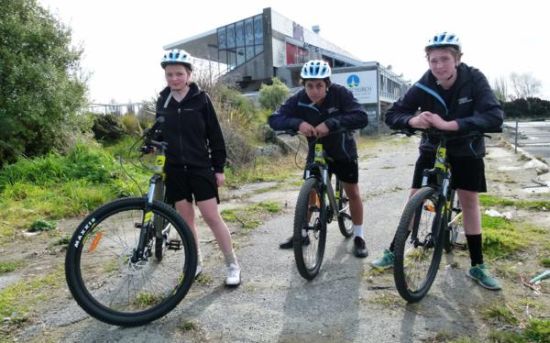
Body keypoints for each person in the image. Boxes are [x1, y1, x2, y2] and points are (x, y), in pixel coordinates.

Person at [371, 32, 504, 290]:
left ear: (457, 59)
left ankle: (477, 265)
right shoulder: (424, 83)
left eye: (444, 59)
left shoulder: (474, 79)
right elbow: (395, 113)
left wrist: (452, 124)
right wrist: (412, 120)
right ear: (427, 61)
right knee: (415, 197)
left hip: (467, 148)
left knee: (469, 201)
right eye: (433, 60)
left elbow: (494, 115)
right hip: (433, 146)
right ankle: (394, 250)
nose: (439, 66)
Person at [268, 59, 369, 258]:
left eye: (319, 85)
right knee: (310, 190)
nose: (314, 90)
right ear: (303, 85)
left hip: (343, 151)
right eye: (309, 86)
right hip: (316, 150)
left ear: (327, 84)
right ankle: (303, 233)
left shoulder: (341, 94)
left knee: (352, 191)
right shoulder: (298, 99)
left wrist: (331, 124)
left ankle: (359, 236)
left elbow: (361, 116)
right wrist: (298, 123)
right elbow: (274, 119)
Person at [156, 49, 240, 287]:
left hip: (200, 167)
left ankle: (232, 264)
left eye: (179, 74)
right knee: (186, 220)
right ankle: (195, 262)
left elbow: (215, 135)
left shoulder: (202, 99)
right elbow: (159, 131)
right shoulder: (163, 100)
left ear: (189, 74)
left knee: (212, 217)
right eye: (169, 74)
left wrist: (219, 168)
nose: (174, 79)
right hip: (174, 169)